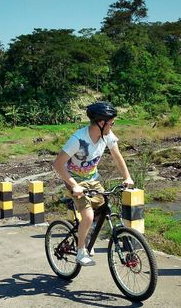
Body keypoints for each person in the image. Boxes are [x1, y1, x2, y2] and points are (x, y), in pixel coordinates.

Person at [53, 101, 134, 266]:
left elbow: (117, 156)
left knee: (103, 207)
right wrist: (74, 185)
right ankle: (81, 250)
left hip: (93, 179)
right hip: (75, 181)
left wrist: (127, 177)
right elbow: (58, 164)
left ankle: (85, 233)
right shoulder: (78, 139)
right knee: (88, 215)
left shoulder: (107, 136)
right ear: (101, 122)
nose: (113, 125)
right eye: (111, 123)